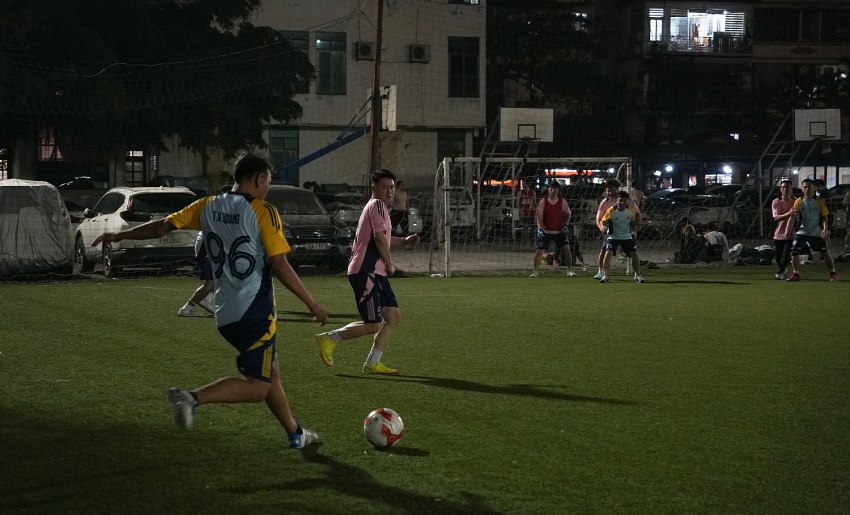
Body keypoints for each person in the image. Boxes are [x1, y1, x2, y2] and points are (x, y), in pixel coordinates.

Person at [92, 152, 329, 448]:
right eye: (268, 180)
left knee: (270, 372)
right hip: (255, 311)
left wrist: (118, 236)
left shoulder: (207, 205)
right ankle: (191, 398)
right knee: (258, 387)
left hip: (225, 312)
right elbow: (279, 264)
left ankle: (295, 433)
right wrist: (312, 304)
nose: (268, 187)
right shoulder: (263, 211)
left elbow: (162, 226)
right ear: (259, 179)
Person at [315, 169, 421, 375]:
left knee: (393, 317)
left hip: (375, 272)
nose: (389, 191)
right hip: (366, 271)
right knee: (373, 324)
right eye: (384, 187)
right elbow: (379, 239)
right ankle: (329, 338)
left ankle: (373, 362)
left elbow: (382, 238)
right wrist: (390, 264)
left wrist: (404, 241)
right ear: (373, 189)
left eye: (392, 187)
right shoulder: (377, 205)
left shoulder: (379, 208)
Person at [787, 178, 837, 282]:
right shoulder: (798, 201)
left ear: (813, 188)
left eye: (809, 187)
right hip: (802, 231)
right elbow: (794, 216)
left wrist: (825, 229)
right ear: (802, 189)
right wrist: (789, 229)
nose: (807, 189)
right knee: (795, 251)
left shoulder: (819, 201)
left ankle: (833, 272)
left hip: (815, 231)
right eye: (805, 187)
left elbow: (824, 217)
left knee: (824, 251)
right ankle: (796, 274)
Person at [594, 179, 641, 280]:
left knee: (633, 253)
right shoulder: (605, 203)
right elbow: (599, 218)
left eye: (613, 190)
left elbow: (637, 213)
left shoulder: (627, 201)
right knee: (604, 251)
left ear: (617, 189)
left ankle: (637, 274)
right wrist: (601, 227)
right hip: (611, 232)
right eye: (608, 191)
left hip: (626, 231)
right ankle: (601, 272)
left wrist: (636, 224)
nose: (611, 193)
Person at [529, 181, 574, 278]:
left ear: (558, 190)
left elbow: (568, 214)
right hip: (546, 231)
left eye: (555, 188)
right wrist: (539, 228)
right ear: (548, 189)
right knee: (539, 251)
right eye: (551, 188)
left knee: (567, 249)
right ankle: (535, 271)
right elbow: (539, 216)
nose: (553, 190)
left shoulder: (562, 201)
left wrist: (565, 224)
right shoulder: (543, 201)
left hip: (559, 231)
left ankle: (569, 271)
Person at [177, 231, 215, 317]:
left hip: (211, 244)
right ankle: (185, 310)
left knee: (223, 278)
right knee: (211, 283)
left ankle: (206, 299)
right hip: (208, 245)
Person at [771, 179, 797, 280]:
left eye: (787, 187)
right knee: (778, 256)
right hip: (778, 234)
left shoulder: (795, 202)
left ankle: (780, 272)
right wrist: (788, 213)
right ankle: (782, 270)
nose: (785, 189)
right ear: (780, 189)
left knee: (786, 255)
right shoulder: (776, 201)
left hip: (790, 234)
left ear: (791, 189)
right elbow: (776, 217)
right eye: (783, 187)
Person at [843, 189, 850, 256]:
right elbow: (844, 203)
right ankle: (846, 247)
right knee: (849, 233)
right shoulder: (848, 194)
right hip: (849, 217)